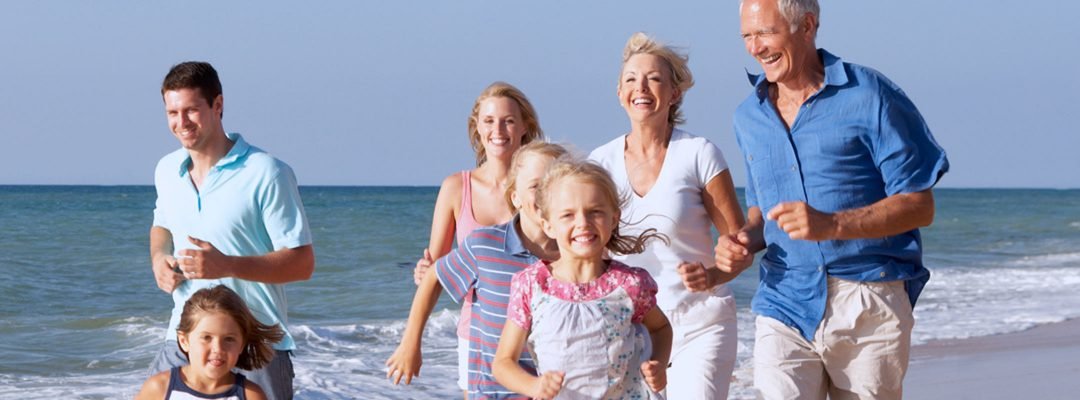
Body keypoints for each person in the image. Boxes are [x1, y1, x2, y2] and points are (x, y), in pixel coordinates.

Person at [719, 1, 950, 398]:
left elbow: (919, 205)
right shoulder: (748, 117)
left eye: (766, 33)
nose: (756, 48)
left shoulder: (870, 94)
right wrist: (741, 241)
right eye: (747, 36)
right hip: (783, 297)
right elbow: (761, 214)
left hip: (867, 297)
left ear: (807, 26)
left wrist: (831, 224)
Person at [589, 32, 746, 399]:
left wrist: (712, 275)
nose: (641, 87)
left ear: (674, 93)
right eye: (631, 79)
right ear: (619, 93)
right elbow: (586, 249)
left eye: (654, 78)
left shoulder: (699, 153)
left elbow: (740, 247)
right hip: (629, 332)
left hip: (699, 325)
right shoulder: (599, 164)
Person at [147, 61, 315, 400]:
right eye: (173, 113)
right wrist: (159, 258)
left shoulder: (267, 172)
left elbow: (302, 264)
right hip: (185, 338)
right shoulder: (166, 170)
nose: (181, 122)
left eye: (191, 110)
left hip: (254, 343)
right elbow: (161, 227)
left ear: (218, 105)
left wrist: (228, 265)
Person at [386, 142, 567, 399]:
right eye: (536, 186)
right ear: (515, 196)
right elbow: (434, 276)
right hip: (493, 391)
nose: (545, 195)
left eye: (555, 186)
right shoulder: (485, 244)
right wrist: (410, 343)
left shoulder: (575, 252)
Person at [493, 158, 673, 399]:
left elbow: (661, 328)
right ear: (548, 225)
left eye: (595, 212)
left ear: (614, 218)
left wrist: (659, 364)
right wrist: (533, 386)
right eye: (568, 215)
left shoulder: (630, 284)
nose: (583, 223)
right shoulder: (532, 285)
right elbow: (503, 363)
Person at [409, 81, 545, 396]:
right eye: (489, 121)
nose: (498, 130)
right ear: (477, 127)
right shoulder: (456, 188)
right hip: (478, 334)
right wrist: (413, 341)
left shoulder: (541, 186)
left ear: (525, 126)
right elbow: (436, 271)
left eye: (508, 121)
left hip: (539, 330)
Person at [137, 285, 285, 400]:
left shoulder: (250, 395)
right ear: (184, 341)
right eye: (206, 337)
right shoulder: (159, 389)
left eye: (229, 339)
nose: (218, 349)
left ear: (241, 344)